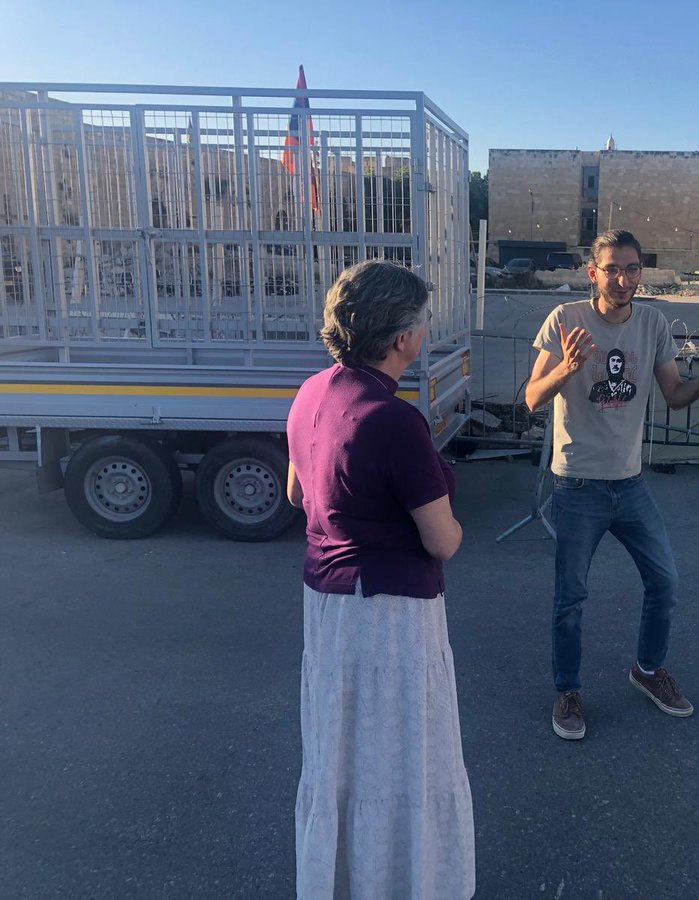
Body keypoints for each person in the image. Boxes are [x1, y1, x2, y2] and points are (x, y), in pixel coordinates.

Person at [286, 261, 475, 898]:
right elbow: (442, 539)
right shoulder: (394, 420)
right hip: (387, 618)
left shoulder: (312, 392)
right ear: (402, 338)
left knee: (339, 757)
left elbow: (296, 493)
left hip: (327, 606)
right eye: (420, 322)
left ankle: (337, 879)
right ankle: (401, 883)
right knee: (399, 762)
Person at [526, 229, 699, 741]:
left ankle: (647, 670)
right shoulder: (565, 320)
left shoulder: (652, 322)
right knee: (571, 597)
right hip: (577, 484)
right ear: (593, 272)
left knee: (664, 582)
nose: (623, 280)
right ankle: (568, 690)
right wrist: (567, 368)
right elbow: (532, 398)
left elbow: (674, 395)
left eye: (632, 269)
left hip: (629, 485)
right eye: (613, 270)